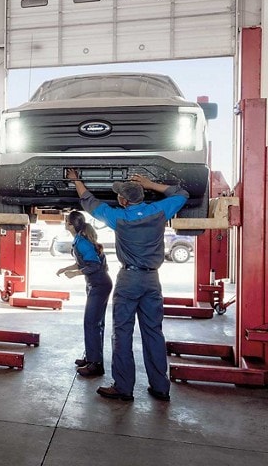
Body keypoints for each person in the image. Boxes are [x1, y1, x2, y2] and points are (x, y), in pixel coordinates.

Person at [66, 169, 188, 402]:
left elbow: (90, 202)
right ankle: (160, 387)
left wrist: (76, 180)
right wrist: (151, 184)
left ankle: (123, 387)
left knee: (122, 332)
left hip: (129, 279)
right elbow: (181, 193)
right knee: (153, 331)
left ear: (123, 200)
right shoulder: (159, 211)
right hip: (153, 279)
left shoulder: (119, 217)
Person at [56, 210, 112, 377]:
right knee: (96, 323)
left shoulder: (82, 242)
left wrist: (75, 273)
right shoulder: (79, 239)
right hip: (96, 284)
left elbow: (94, 265)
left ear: (71, 225)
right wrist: (67, 268)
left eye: (66, 221)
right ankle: (92, 357)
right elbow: (83, 261)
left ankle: (95, 364)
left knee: (91, 323)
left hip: (99, 284)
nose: (65, 223)